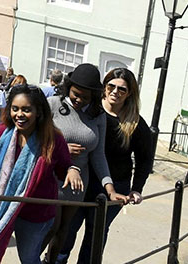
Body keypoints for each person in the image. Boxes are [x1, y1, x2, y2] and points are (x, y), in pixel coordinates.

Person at [0, 84, 81, 264]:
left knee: (28, 258)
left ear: (38, 112)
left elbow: (64, 166)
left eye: (26, 110)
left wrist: (72, 170)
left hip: (35, 211)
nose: (19, 114)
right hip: (0, 205)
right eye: (15, 109)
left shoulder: (52, 139)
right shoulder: (1, 133)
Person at [56, 67, 152, 263]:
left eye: (122, 89)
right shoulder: (90, 110)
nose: (115, 92)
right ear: (104, 88)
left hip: (115, 185)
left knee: (95, 236)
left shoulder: (136, 124)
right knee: (67, 230)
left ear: (130, 93)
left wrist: (136, 189)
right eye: (111, 86)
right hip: (82, 181)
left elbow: (145, 160)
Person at [42, 63, 128, 264]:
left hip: (78, 184)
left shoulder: (98, 116)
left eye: (86, 97)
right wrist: (61, 148)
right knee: (50, 227)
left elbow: (98, 156)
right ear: (68, 87)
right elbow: (35, 139)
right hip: (51, 177)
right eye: (75, 94)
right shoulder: (53, 104)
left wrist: (110, 189)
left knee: (63, 231)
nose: (79, 100)